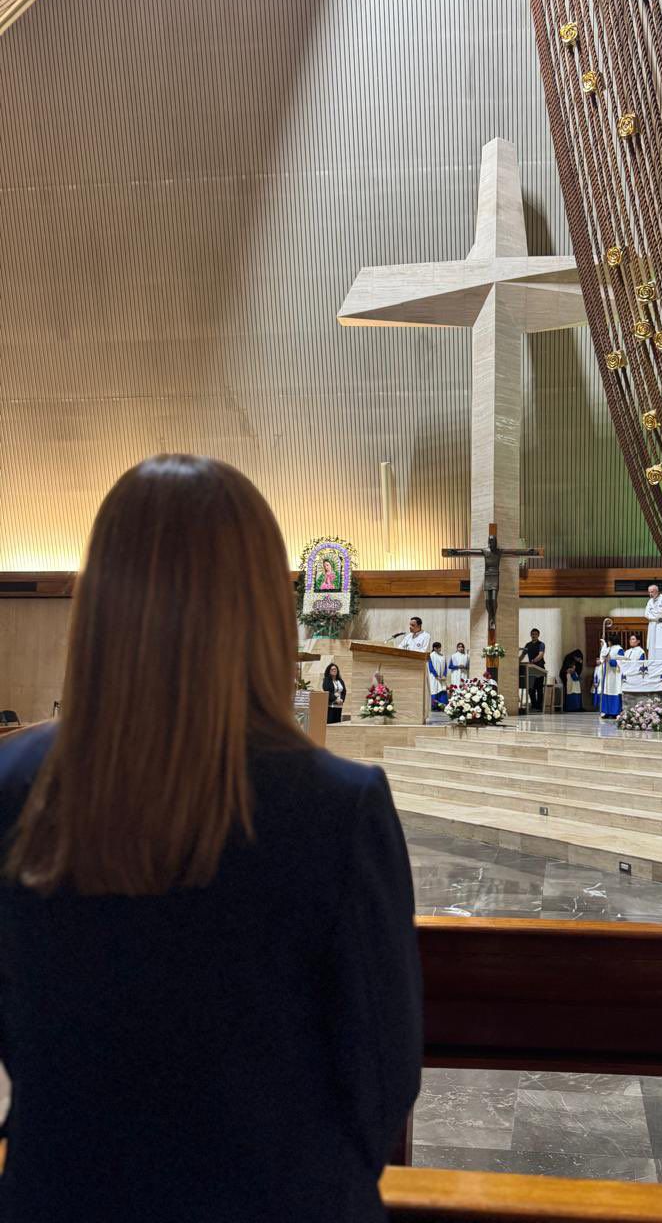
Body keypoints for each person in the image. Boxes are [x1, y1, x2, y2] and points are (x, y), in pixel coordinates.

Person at [0, 455, 421, 1223]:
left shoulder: (13, 786)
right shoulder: (339, 807)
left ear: (99, 601)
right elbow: (383, 1077)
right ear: (262, 607)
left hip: (61, 1195)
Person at [596, 635, 624, 718]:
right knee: (606, 691)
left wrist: (610, 660)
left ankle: (615, 712)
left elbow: (620, 662)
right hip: (607, 673)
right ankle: (606, 711)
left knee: (614, 691)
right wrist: (603, 648)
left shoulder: (619, 649)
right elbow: (602, 658)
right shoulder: (608, 649)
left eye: (608, 641)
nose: (608, 642)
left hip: (615, 674)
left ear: (611, 641)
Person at [520, 628, 546, 712]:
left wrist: (533, 661)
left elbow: (541, 655)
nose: (534, 635)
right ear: (530, 635)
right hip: (530, 669)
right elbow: (522, 655)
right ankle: (534, 705)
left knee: (539, 688)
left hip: (539, 668)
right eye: (532, 634)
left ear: (538, 635)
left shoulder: (541, 644)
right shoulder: (528, 645)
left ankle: (539, 707)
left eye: (535, 634)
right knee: (531, 688)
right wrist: (517, 662)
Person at [644, 584, 662, 660]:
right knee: (653, 643)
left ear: (657, 591)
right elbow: (646, 614)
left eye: (652, 592)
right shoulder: (650, 601)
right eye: (649, 592)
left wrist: (653, 614)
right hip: (653, 624)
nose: (650, 594)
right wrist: (655, 618)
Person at [619, 631, 647, 697]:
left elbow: (641, 665)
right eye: (630, 639)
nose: (631, 641)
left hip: (635, 675)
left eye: (633, 639)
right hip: (626, 675)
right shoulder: (627, 651)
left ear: (638, 641)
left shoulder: (641, 652)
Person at [428, 642, 448, 710]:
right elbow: (430, 667)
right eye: (438, 647)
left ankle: (442, 706)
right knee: (434, 689)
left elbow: (445, 666)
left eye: (440, 647)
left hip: (442, 678)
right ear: (434, 648)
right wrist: (436, 676)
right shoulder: (431, 655)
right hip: (434, 677)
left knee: (442, 689)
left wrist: (444, 675)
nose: (440, 649)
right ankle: (434, 706)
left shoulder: (442, 656)